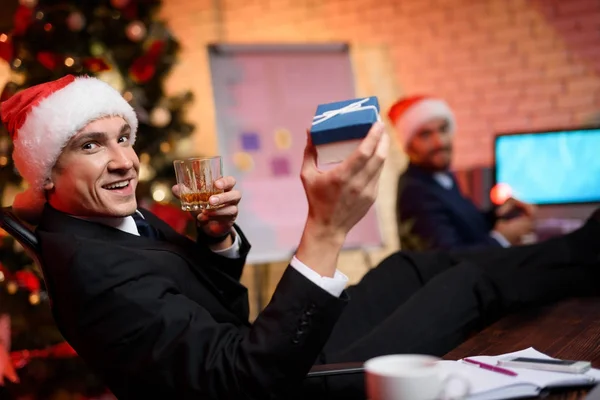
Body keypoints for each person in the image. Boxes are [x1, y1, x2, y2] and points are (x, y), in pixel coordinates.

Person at [2, 76, 600, 400]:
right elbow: (240, 380)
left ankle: (583, 250)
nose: (122, 161)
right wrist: (327, 226)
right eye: (90, 145)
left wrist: (214, 239)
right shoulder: (89, 267)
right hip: (280, 378)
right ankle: (589, 253)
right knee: (466, 282)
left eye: (122, 137)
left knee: (407, 268)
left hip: (264, 347)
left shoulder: (105, 217)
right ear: (48, 172)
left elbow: (198, 302)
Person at [388, 95, 536, 251]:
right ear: (408, 146)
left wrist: (502, 213)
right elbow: (446, 258)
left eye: (443, 129)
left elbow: (466, 226)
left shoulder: (442, 177)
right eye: (425, 135)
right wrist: (501, 239)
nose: (440, 142)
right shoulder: (414, 191)